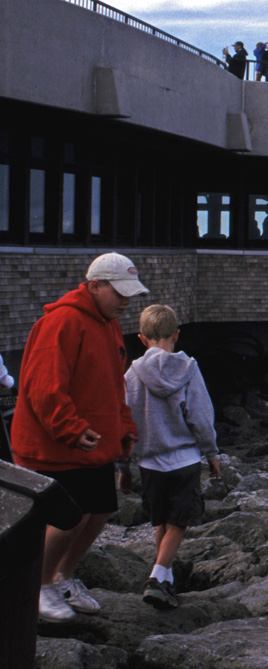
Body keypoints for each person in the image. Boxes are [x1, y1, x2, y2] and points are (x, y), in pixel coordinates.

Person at [10, 252, 147, 622]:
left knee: (100, 510)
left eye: (129, 294)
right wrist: (70, 428)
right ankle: (38, 586)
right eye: (118, 293)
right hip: (55, 447)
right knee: (69, 516)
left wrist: (124, 431)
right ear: (94, 286)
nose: (125, 301)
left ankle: (62, 577)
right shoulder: (61, 323)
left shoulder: (109, 325)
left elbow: (113, 387)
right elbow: (42, 387)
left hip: (94, 444)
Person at [119, 304, 219, 610]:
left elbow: (124, 422)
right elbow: (200, 417)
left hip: (150, 463)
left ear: (141, 337)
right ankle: (157, 577)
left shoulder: (131, 375)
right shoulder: (188, 369)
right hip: (185, 460)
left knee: (161, 521)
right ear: (177, 334)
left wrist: (123, 466)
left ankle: (166, 581)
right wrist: (212, 452)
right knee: (179, 523)